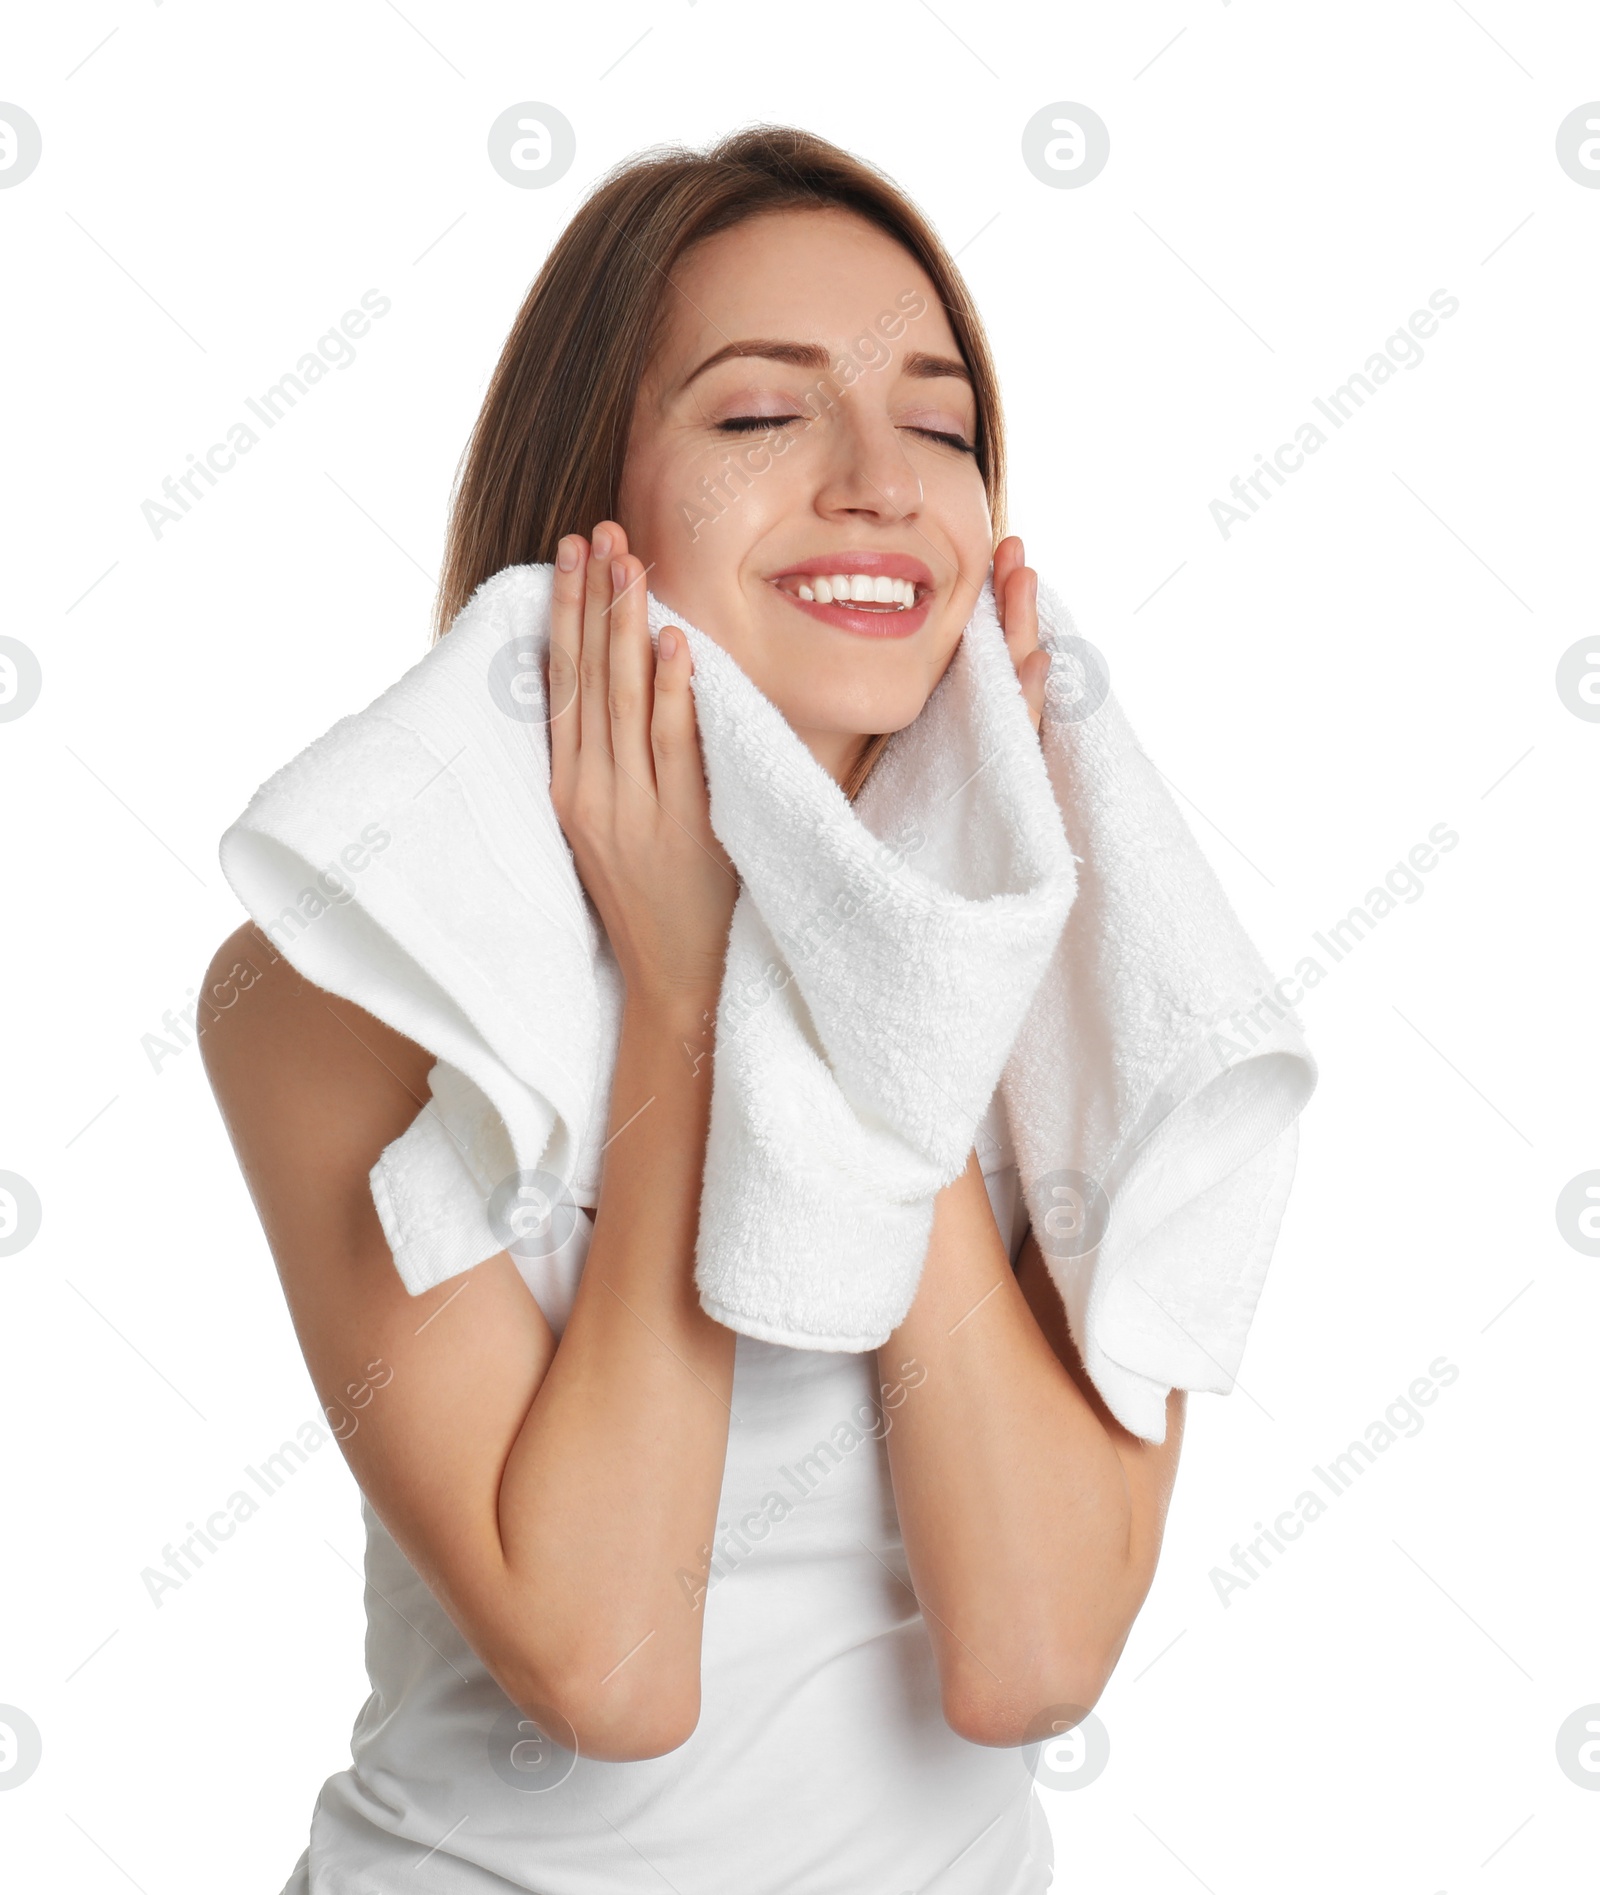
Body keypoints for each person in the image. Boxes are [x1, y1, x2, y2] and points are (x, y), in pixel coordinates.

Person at [202, 124, 1185, 1895]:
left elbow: (1033, 1658)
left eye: (944, 426)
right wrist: (680, 993)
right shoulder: (349, 976)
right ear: (595, 510)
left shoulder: (1085, 952)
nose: (887, 481)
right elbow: (602, 1664)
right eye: (759, 416)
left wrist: (899, 977)